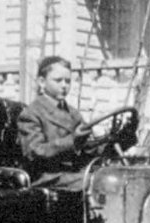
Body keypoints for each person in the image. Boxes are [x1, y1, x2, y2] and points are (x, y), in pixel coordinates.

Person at [17, 56, 96, 192]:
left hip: (72, 173)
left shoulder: (73, 113)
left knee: (113, 175)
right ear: (42, 82)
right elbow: (35, 152)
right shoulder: (31, 113)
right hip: (46, 177)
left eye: (68, 81)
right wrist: (72, 140)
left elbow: (89, 148)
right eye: (58, 80)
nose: (64, 85)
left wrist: (118, 138)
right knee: (97, 181)